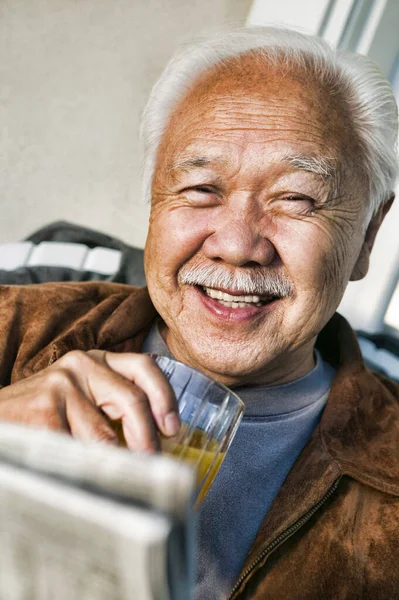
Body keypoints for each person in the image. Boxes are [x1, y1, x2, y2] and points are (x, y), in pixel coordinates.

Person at [0, 26, 398, 599]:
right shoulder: (16, 325)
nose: (237, 244)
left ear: (366, 235)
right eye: (201, 188)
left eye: (296, 199)